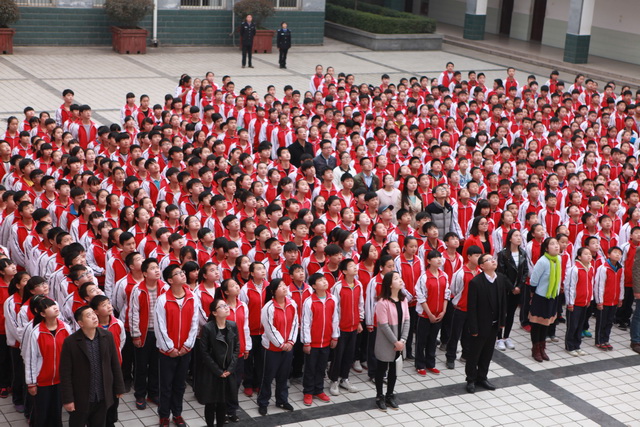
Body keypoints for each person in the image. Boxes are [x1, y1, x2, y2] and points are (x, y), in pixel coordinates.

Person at [60, 306, 125, 427]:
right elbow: (65, 373)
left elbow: (114, 363)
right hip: (81, 397)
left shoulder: (107, 336)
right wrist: (68, 399)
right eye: (88, 316)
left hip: (102, 395)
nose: (94, 317)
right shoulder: (70, 342)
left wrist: (119, 387)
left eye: (93, 314)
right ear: (80, 323)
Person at [156, 264, 199, 427]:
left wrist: (187, 345)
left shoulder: (192, 297)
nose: (182, 275)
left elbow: (194, 323)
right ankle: (164, 415)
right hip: (167, 352)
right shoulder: (163, 300)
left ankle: (177, 413)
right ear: (169, 280)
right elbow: (160, 326)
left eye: (182, 272)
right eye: (178, 273)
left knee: (180, 385)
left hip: (185, 350)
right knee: (166, 385)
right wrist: (169, 348)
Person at [23, 296, 72, 427]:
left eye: (54, 304)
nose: (55, 307)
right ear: (42, 314)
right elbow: (30, 358)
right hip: (42, 381)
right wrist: (31, 383)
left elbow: (71, 355)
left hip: (61, 379)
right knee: (42, 413)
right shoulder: (36, 332)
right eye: (49, 307)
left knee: (56, 412)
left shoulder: (66, 328)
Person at [195, 295, 240, 427]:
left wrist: (230, 369)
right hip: (212, 372)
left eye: (226, 305)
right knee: (210, 403)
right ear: (214, 312)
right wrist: (218, 371)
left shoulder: (232, 325)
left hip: (227, 370)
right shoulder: (208, 328)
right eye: (222, 306)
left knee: (223, 402)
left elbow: (237, 348)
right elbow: (204, 352)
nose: (226, 308)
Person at [465, 253, 506, 393]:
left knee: (488, 353)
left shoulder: (500, 278)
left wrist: (502, 322)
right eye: (488, 260)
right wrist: (473, 328)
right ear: (482, 266)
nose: (493, 261)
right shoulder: (476, 282)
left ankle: (482, 377)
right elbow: (471, 307)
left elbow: (503, 301)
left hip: (494, 324)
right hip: (480, 325)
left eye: (493, 259)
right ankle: (471, 379)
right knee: (474, 354)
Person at [257, 278, 298, 416]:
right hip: (271, 348)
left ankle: (282, 400)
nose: (284, 287)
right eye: (280, 286)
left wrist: (290, 342)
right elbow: (269, 328)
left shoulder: (292, 304)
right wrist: (281, 344)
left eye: (285, 285)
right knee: (267, 377)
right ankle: (263, 402)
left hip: (288, 347)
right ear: (273, 291)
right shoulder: (268, 308)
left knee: (283, 376)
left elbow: (295, 323)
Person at [373, 271, 409, 412]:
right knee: (381, 369)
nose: (400, 280)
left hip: (400, 341)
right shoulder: (382, 302)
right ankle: (379, 396)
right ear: (389, 284)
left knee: (394, 370)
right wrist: (396, 342)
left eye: (400, 278)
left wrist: (403, 340)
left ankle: (390, 395)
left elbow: (407, 320)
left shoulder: (403, 300)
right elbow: (384, 325)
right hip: (387, 341)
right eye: (396, 278)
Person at [446, 245, 482, 369]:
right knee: (455, 334)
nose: (479, 258)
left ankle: (465, 355)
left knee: (469, 334)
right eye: (476, 256)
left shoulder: (480, 272)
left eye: (480, 256)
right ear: (469, 257)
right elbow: (454, 290)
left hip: (473, 310)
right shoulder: (460, 273)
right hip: (460, 309)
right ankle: (450, 357)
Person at [414, 250, 450, 375]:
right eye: (435, 258)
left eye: (440, 257)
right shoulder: (424, 277)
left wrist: (443, 311)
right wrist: (429, 314)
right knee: (421, 340)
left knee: (433, 339)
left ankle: (430, 364)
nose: (439, 259)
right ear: (428, 261)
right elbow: (421, 297)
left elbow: (446, 294)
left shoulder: (444, 276)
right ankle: (419, 365)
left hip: (439, 314)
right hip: (425, 315)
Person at [529, 237, 562, 362]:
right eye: (552, 244)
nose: (556, 246)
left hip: (553, 296)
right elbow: (534, 280)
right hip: (541, 296)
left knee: (546, 323)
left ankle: (542, 347)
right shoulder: (542, 261)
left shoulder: (558, 259)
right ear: (546, 248)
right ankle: (535, 348)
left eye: (557, 243)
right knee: (537, 324)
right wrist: (533, 294)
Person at [496, 229, 528, 351]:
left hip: (518, 289)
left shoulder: (523, 253)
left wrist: (519, 286)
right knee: (502, 313)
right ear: (510, 239)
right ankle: (499, 338)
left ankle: (506, 337)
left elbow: (525, 271)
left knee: (511, 313)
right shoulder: (503, 254)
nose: (519, 238)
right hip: (505, 289)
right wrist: (512, 287)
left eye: (520, 236)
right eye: (516, 236)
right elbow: (501, 273)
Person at [594, 247, 624, 350]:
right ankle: (599, 340)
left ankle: (606, 339)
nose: (617, 255)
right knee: (601, 321)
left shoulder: (620, 269)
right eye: (615, 252)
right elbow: (599, 285)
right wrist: (599, 301)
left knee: (609, 321)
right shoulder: (603, 268)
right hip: (604, 300)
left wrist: (620, 298)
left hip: (614, 300)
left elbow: (621, 284)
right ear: (608, 255)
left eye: (619, 253)